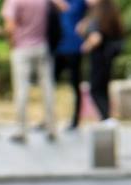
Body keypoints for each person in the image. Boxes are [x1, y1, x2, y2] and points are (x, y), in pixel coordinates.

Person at [2, 0, 65, 143]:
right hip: (42, 47)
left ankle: (22, 130)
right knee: (48, 88)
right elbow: (63, 7)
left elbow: (10, 26)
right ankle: (52, 128)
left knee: (21, 89)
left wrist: (11, 43)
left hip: (22, 48)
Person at [77, 0, 123, 121]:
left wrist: (85, 47)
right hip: (108, 57)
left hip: (98, 58)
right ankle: (107, 118)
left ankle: (106, 118)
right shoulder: (109, 10)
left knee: (95, 89)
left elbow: (96, 37)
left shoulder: (97, 13)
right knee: (103, 88)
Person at [55, 0, 86, 130]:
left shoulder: (80, 2)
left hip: (74, 47)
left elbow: (93, 10)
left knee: (75, 84)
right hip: (58, 47)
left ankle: (75, 120)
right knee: (49, 83)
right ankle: (48, 118)